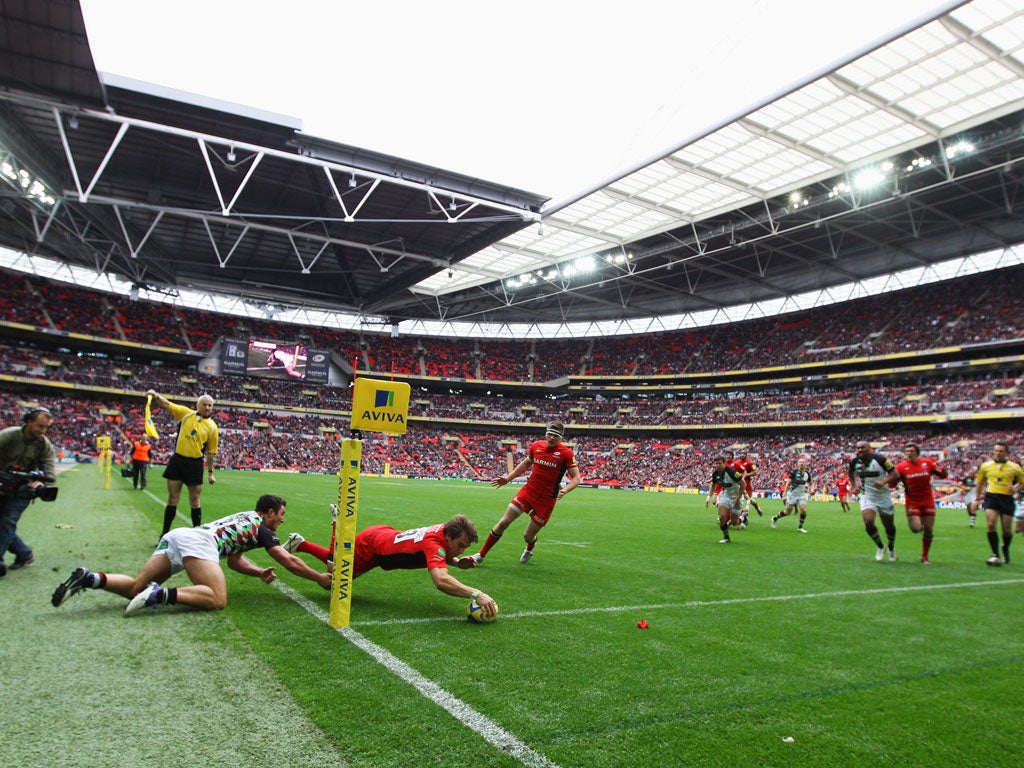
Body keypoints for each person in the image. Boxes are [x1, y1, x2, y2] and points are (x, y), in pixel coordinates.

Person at [51, 494, 331, 614]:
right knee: (217, 599)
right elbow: (289, 560)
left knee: (135, 587)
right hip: (200, 543)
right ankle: (159, 595)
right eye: (281, 515)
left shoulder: (247, 519)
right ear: (269, 513)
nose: (282, 520)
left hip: (181, 536)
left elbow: (234, 560)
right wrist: (319, 576)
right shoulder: (263, 529)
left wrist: (257, 572)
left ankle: (91, 578)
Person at [282, 515, 497, 618]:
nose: (461, 550)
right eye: (460, 546)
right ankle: (337, 526)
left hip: (382, 539)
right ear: (448, 536)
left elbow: (439, 554)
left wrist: (457, 562)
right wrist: (476, 593)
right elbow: (440, 581)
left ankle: (300, 544)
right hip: (372, 547)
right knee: (332, 581)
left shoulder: (442, 532)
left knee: (335, 577)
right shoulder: (434, 542)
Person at [470, 422, 580, 564]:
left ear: (561, 438)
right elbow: (526, 463)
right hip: (528, 492)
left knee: (528, 536)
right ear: (546, 433)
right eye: (550, 434)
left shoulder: (566, 454)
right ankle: (481, 555)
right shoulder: (537, 446)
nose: (552, 438)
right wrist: (508, 478)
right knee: (503, 522)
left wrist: (565, 490)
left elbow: (576, 477)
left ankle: (529, 547)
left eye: (556, 436)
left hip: (546, 500)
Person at [146, 389, 219, 537]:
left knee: (195, 500)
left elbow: (211, 452)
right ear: (197, 405)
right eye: (204, 404)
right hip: (178, 460)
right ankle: (164, 533)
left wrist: (211, 473)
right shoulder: (186, 414)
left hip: (195, 464)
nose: (207, 408)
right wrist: (155, 395)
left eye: (210, 405)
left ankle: (198, 535)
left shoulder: (212, 427)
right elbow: (167, 404)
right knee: (173, 498)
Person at [0, 407, 57, 576]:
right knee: (3, 524)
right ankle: (24, 553)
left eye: (46, 427)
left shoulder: (44, 445)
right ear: (28, 422)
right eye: (40, 426)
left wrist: (40, 480)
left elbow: (50, 473)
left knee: (8, 521)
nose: (43, 431)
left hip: (23, 489)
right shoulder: (9, 435)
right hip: (2, 483)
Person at [893, 442, 948, 565]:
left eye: (911, 451)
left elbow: (942, 474)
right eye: (907, 451)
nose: (909, 453)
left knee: (929, 530)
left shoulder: (927, 463)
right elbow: (892, 483)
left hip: (927, 500)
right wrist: (890, 480)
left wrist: (944, 472)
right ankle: (920, 525)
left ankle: (925, 556)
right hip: (913, 501)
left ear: (917, 452)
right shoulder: (900, 467)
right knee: (915, 528)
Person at [849, 441, 900, 562]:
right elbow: (850, 472)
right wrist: (853, 485)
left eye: (863, 447)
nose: (860, 450)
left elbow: (895, 474)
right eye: (858, 448)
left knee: (889, 526)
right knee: (868, 521)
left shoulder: (881, 459)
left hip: (884, 496)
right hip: (867, 496)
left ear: (870, 448)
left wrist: (883, 482)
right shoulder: (855, 461)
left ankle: (891, 547)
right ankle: (880, 546)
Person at [975, 442, 1024, 566]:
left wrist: (1015, 488)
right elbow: (980, 483)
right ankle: (995, 554)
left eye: (1001, 451)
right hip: (991, 497)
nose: (998, 453)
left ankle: (1005, 548)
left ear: (1007, 453)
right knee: (991, 524)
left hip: (1007, 499)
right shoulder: (985, 466)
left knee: (1007, 531)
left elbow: (1022, 482)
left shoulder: (1015, 467)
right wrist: (977, 499)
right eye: (996, 450)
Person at [707, 455, 747, 543]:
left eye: (720, 463)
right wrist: (708, 498)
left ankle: (743, 518)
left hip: (737, 497)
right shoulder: (715, 473)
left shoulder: (732, 472)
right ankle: (726, 537)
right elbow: (713, 485)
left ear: (724, 463)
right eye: (716, 463)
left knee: (734, 522)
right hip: (726, 495)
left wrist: (738, 497)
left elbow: (743, 484)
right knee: (721, 516)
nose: (718, 465)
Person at [772, 457, 814, 532]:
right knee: (787, 512)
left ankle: (800, 527)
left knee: (804, 510)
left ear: (805, 464)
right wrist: (784, 494)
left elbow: (811, 483)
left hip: (801, 495)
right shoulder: (794, 472)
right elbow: (788, 483)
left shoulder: (807, 473)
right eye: (800, 462)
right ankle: (775, 518)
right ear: (798, 464)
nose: (801, 463)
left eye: (803, 462)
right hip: (792, 494)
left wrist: (812, 489)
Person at [734, 451, 764, 518]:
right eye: (740, 454)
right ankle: (743, 513)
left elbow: (755, 472)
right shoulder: (736, 462)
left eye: (743, 454)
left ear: (746, 455)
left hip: (747, 484)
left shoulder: (750, 463)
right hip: (738, 483)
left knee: (749, 499)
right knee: (736, 498)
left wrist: (746, 474)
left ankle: (757, 508)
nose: (741, 455)